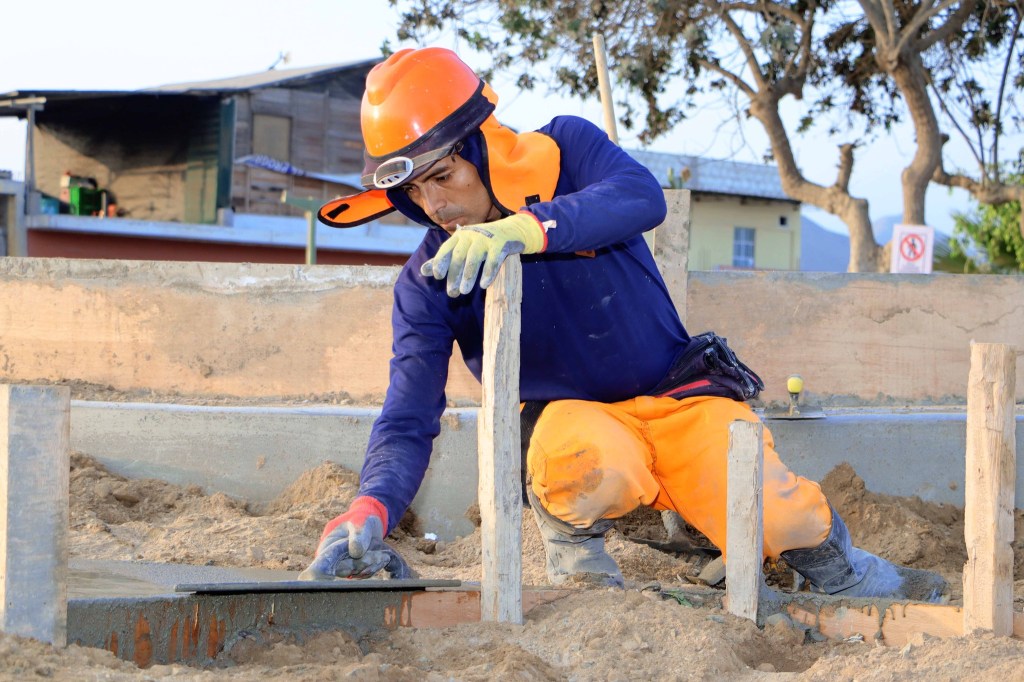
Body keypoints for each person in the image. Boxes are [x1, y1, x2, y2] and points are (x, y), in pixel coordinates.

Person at [299, 46, 947, 602]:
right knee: (577, 461)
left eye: (442, 175)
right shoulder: (430, 280)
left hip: (678, 399)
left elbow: (640, 197)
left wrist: (525, 230)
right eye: (413, 191)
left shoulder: (568, 151)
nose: (434, 203)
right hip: (574, 423)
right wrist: (370, 507)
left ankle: (837, 567)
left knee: (777, 513)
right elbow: (408, 414)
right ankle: (583, 571)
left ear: (481, 147)